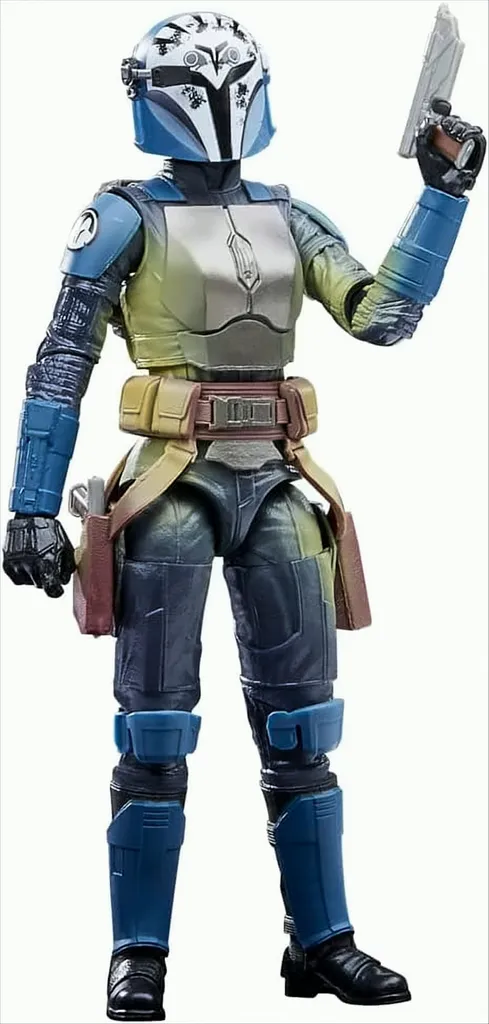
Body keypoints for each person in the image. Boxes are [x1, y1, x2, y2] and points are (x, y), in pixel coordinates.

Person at [3, 11, 485, 1023]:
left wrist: (442, 196)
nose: (217, 104)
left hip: (275, 483)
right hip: (165, 488)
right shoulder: (122, 213)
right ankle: (138, 955)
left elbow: (383, 316)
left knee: (303, 728)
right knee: (154, 730)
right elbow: (62, 359)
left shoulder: (290, 216)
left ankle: (322, 941)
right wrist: (31, 506)